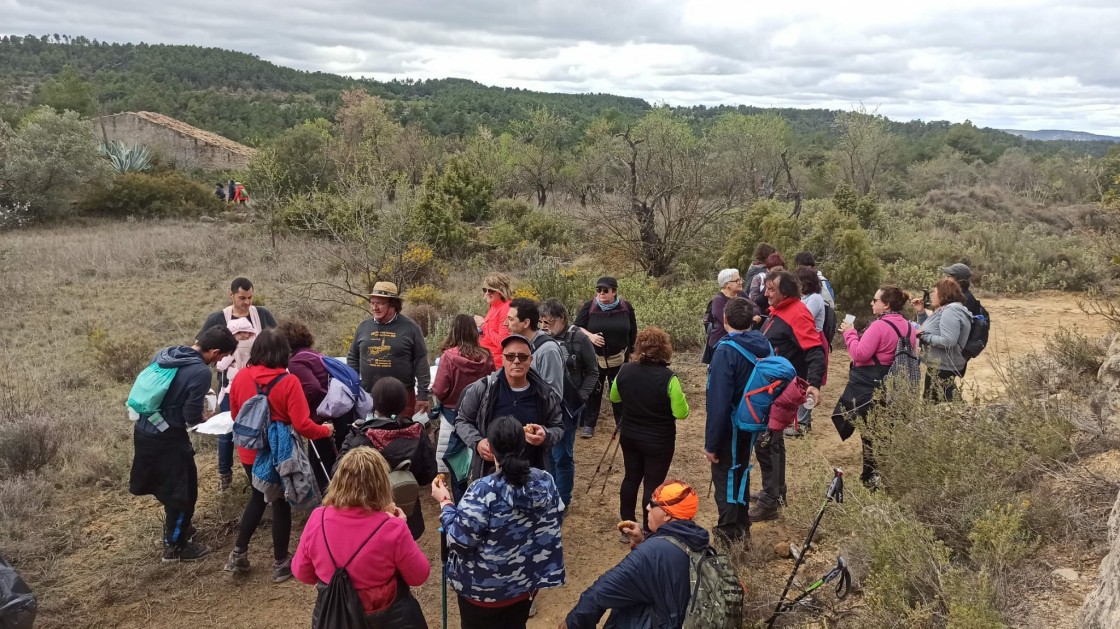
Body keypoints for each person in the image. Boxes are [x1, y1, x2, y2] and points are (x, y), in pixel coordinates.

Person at [434, 415, 565, 629]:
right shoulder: (545, 481)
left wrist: (445, 503)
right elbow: (555, 520)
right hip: (526, 585)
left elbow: (460, 540)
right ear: (523, 446)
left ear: (491, 449)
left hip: (482, 594)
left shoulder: (482, 490)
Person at [225, 329, 335, 583]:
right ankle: (280, 564)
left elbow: (235, 416)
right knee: (281, 504)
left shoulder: (241, 378)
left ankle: (238, 553)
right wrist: (325, 430)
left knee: (257, 497)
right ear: (283, 353)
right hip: (279, 452)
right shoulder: (288, 382)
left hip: (250, 452)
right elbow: (303, 425)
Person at [129, 326, 237, 562]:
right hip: (169, 439)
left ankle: (180, 528)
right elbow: (190, 416)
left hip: (145, 429)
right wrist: (206, 417)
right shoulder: (199, 372)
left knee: (166, 485)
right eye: (220, 356)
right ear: (214, 351)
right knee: (183, 492)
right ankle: (175, 546)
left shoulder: (167, 353)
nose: (219, 361)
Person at [292, 448, 430, 629]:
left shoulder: (318, 518)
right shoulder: (393, 527)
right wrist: (401, 525)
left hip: (334, 616)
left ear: (339, 481)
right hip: (389, 618)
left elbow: (302, 572)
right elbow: (418, 576)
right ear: (381, 484)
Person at [562, 480, 708, 629]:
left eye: (653, 503)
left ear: (666, 515)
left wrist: (571, 622)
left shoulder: (651, 553)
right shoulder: (698, 542)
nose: (647, 507)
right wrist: (640, 543)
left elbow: (600, 593)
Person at [754, 270, 825, 522]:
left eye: (771, 289)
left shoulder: (797, 313)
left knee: (765, 441)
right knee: (773, 440)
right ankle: (776, 492)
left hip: (781, 390)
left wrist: (814, 384)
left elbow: (815, 350)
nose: (766, 293)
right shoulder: (779, 311)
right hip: (771, 386)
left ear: (786, 291)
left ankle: (769, 501)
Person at [198, 277, 278, 492]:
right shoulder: (217, 318)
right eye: (242, 298)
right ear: (230, 294)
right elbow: (199, 347)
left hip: (260, 383)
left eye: (250, 297)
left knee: (261, 426)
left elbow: (278, 341)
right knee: (227, 430)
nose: (246, 302)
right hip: (229, 386)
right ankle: (225, 475)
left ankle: (262, 473)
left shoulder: (261, 315)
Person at [834, 286, 919, 486]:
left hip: (870, 385)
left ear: (886, 304)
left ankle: (871, 476)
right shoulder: (908, 326)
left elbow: (859, 354)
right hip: (894, 385)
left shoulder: (879, 326)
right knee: (885, 430)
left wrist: (850, 333)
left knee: (869, 431)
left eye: (875, 300)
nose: (872, 303)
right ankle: (883, 474)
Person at [704, 298, 771, 542]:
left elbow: (718, 402)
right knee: (741, 469)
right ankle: (742, 527)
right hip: (753, 420)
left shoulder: (726, 350)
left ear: (725, 319)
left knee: (727, 476)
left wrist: (711, 443)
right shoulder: (763, 343)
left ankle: (729, 533)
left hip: (730, 425)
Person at [454, 335, 564, 482]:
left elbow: (558, 426)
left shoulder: (543, 393)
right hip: (490, 477)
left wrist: (546, 435)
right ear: (503, 359)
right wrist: (477, 442)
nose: (516, 361)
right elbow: (462, 420)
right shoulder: (484, 388)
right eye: (511, 356)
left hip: (531, 476)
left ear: (530, 360)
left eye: (523, 357)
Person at [337, 378, 437, 540]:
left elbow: (340, 474)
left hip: (372, 518)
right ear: (403, 403)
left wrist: (351, 436)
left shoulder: (363, 439)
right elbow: (429, 474)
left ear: (374, 403)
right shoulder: (417, 433)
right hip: (408, 513)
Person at [612, 327, 690, 534]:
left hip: (629, 435)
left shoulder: (625, 370)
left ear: (638, 347)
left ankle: (627, 525)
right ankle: (648, 528)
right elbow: (681, 413)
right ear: (665, 350)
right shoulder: (669, 378)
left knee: (631, 478)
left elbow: (614, 397)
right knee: (652, 484)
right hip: (659, 440)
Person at [540, 299, 598, 508]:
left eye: (549, 321)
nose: (545, 326)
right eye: (542, 321)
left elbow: (593, 371)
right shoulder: (541, 340)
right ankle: (549, 495)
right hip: (545, 406)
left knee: (562, 455)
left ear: (562, 319)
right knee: (546, 454)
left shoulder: (579, 338)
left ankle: (562, 500)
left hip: (568, 407)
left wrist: (582, 395)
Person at [280, 320, 347, 494]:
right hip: (336, 414)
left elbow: (312, 387)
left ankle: (330, 506)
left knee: (322, 468)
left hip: (320, 418)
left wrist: (299, 406)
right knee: (338, 464)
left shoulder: (295, 362)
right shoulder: (314, 355)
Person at [347, 281, 430, 418]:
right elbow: (353, 357)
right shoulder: (363, 326)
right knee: (370, 436)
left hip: (402, 397)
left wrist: (422, 394)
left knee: (402, 436)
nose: (375, 307)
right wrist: (352, 386)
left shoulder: (410, 327)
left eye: (380, 303)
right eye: (372, 303)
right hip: (368, 397)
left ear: (393, 304)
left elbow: (421, 360)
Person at [432, 314, 494, 489]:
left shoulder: (448, 357)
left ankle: (461, 505)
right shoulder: (486, 356)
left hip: (453, 415)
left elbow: (440, 389)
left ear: (454, 331)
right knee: (479, 462)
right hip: (481, 415)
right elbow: (493, 384)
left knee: (457, 464)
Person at [575, 276, 637, 438]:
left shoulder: (625, 307)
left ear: (614, 292)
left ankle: (622, 424)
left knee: (619, 391)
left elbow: (633, 331)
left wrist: (632, 352)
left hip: (619, 358)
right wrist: (591, 337)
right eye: (599, 290)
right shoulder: (590, 306)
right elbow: (577, 327)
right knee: (594, 391)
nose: (601, 293)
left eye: (605, 290)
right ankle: (589, 425)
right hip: (594, 358)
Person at [787, 266, 828, 436]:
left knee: (807, 380)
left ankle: (802, 423)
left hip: (812, 341)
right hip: (802, 341)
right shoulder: (806, 298)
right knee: (800, 380)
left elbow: (803, 318)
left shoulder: (815, 298)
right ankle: (802, 421)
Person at [917, 278, 971, 402]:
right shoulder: (944, 309)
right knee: (946, 401)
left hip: (943, 366)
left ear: (944, 294)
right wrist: (921, 313)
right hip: (941, 364)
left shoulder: (951, 312)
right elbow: (928, 328)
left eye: (934, 292)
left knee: (932, 405)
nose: (931, 294)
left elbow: (948, 341)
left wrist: (924, 337)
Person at [506, 297, 566, 400]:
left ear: (526, 323)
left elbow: (555, 396)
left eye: (511, 319)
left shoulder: (548, 351)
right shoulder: (519, 345)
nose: (505, 323)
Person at [701, 268, 749, 365]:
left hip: (737, 340)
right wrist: (750, 318)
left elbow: (755, 308)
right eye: (736, 280)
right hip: (720, 343)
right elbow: (728, 321)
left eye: (740, 279)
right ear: (726, 284)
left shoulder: (741, 294)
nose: (740, 282)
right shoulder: (718, 300)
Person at [214, 317, 255, 409]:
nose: (243, 335)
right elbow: (226, 358)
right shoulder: (232, 346)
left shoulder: (255, 344)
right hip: (236, 374)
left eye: (245, 331)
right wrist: (221, 365)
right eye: (239, 333)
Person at [476, 273, 513, 371]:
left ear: (501, 291)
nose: (487, 293)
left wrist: (484, 325)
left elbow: (503, 342)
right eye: (485, 290)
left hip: (496, 366)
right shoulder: (494, 306)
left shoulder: (506, 308)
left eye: (491, 290)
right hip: (486, 361)